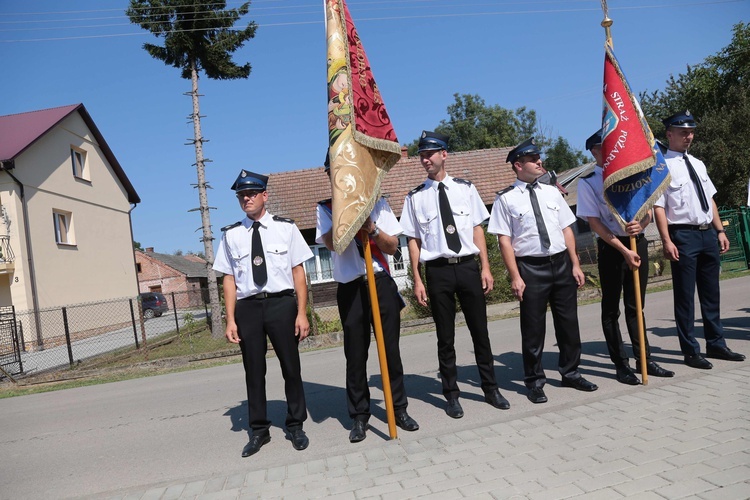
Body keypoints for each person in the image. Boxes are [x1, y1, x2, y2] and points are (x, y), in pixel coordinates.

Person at [401, 130, 510, 418]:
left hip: (467, 266)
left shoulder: (465, 189)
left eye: (430, 154)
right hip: (437, 272)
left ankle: (491, 388)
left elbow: (477, 229)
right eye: (422, 155)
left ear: (444, 154)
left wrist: (485, 267)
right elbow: (413, 240)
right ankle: (451, 395)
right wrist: (418, 278)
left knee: (480, 332)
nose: (425, 159)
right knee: (445, 338)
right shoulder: (414, 197)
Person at [315, 159, 418, 443]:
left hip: (380, 281)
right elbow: (332, 244)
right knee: (356, 356)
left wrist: (372, 228)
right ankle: (359, 417)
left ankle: (399, 409)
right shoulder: (325, 208)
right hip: (351, 287)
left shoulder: (379, 203)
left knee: (391, 351)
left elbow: (393, 246)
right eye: (332, 171)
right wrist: (348, 213)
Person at [488, 138, 598, 404]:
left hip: (560, 263)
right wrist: (515, 275)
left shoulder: (551, 192)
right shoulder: (506, 199)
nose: (540, 162)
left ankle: (571, 373)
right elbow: (504, 240)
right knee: (533, 329)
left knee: (568, 323)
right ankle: (535, 382)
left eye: (539, 157)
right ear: (518, 165)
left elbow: (566, 229)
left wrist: (574, 263)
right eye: (533, 159)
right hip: (530, 268)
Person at [213, 169, 313, 457]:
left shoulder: (286, 228)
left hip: (282, 304)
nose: (246, 198)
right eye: (242, 195)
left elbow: (298, 273)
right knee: (253, 371)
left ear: (264, 195)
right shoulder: (231, 235)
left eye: (252, 193)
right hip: (248, 308)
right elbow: (229, 279)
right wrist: (230, 319)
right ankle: (259, 431)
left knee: (291, 368)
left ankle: (296, 425)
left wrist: (302, 313)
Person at [576, 129, 674, 384]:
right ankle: (621, 364)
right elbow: (594, 223)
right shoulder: (588, 182)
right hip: (612, 249)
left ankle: (646, 359)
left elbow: (648, 211)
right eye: (604, 147)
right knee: (611, 309)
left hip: (636, 243)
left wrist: (640, 227)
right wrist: (624, 250)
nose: (610, 151)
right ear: (595, 151)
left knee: (635, 306)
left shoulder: (633, 173)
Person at [653, 111, 745, 368]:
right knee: (684, 297)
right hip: (682, 235)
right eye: (683, 132)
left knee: (711, 294)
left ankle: (716, 344)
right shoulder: (662, 167)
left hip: (707, 234)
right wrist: (666, 239)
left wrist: (720, 231)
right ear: (669, 134)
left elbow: (710, 200)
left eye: (691, 131)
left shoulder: (698, 163)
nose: (689, 136)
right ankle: (691, 351)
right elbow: (659, 207)